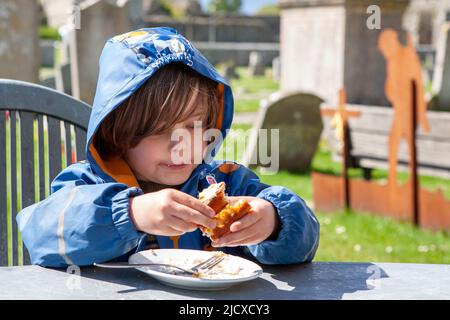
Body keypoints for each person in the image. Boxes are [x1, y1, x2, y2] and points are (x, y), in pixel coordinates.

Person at [17, 28, 319, 268]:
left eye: (194, 127)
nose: (181, 146)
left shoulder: (226, 181)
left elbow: (304, 239)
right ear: (117, 130)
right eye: (161, 130)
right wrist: (130, 213)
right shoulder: (86, 185)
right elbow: (40, 236)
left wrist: (275, 221)